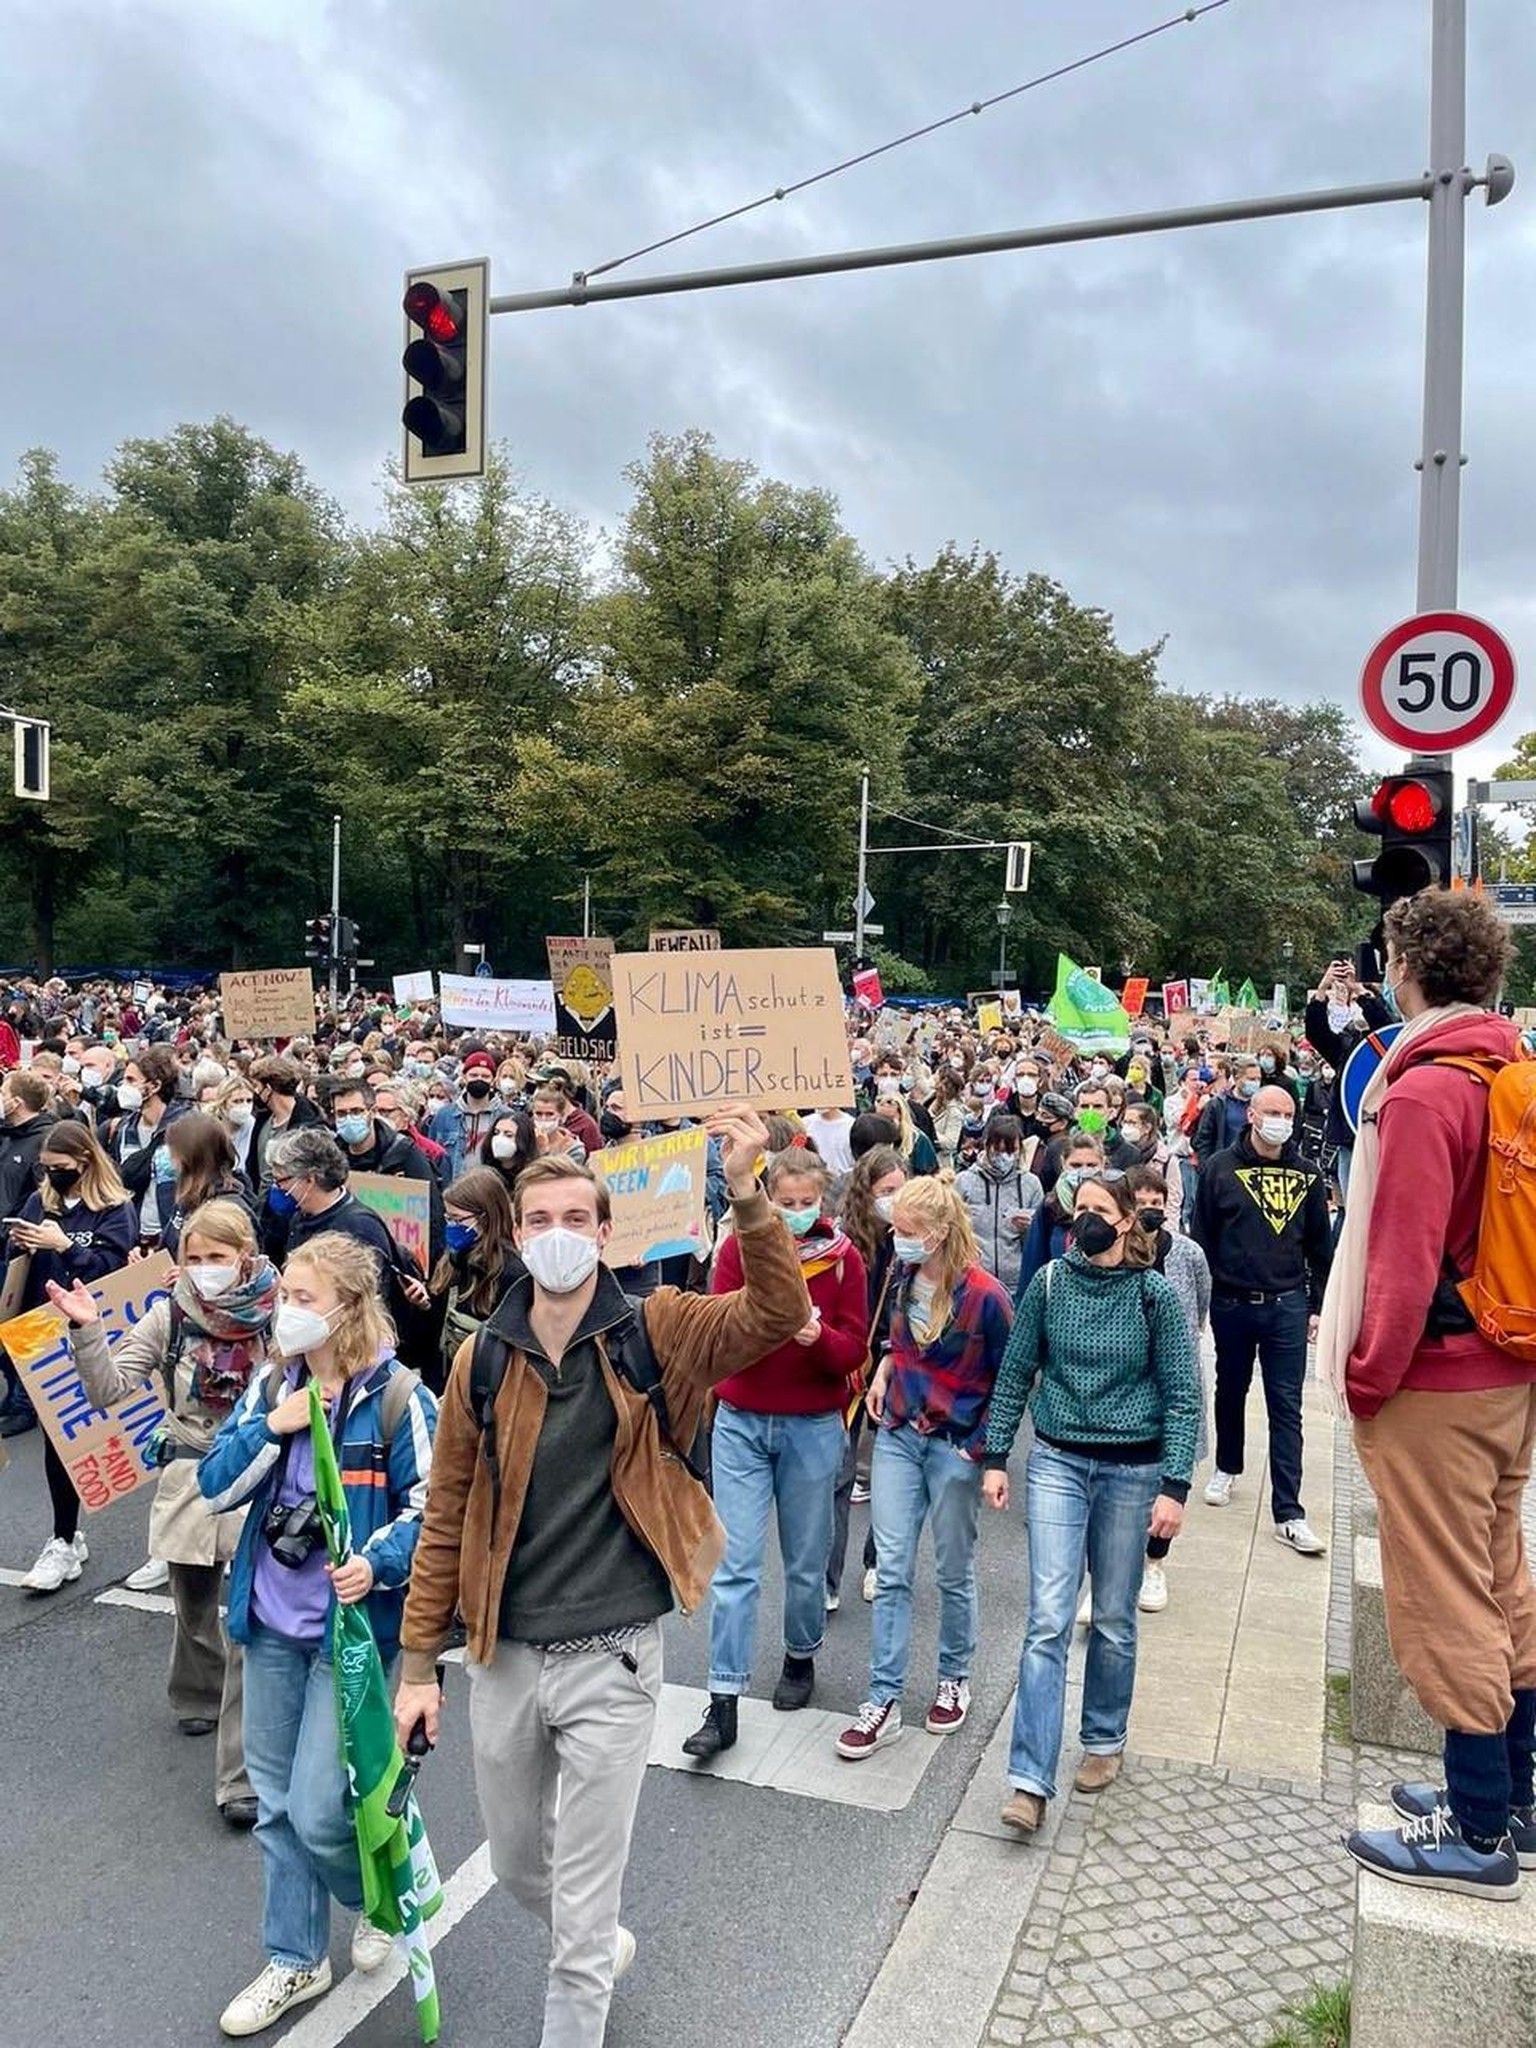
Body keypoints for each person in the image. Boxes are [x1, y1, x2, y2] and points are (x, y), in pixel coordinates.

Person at [393, 1110, 811, 2048]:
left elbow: (777, 1316)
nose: (556, 1238)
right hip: (502, 1656)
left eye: (575, 1220)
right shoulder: (481, 1360)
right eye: (538, 1220)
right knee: (512, 1868)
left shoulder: (657, 1329)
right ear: (517, 1233)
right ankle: (596, 1941)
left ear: (605, 1233)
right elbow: (446, 1515)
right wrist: (418, 1665)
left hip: (613, 1660)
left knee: (579, 1916)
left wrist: (745, 1191)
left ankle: (584, 1977)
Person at [1326, 892, 1536, 1898]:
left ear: (1408, 965)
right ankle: (1520, 1797)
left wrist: (1366, 1376)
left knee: (1445, 1592)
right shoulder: (1509, 1065)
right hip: (1506, 1366)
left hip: (1438, 1379)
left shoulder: (1422, 1090)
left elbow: (1402, 1261)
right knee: (1502, 1578)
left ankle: (1477, 1826)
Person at [199, 1229, 438, 2034]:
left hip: (352, 1637)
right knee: (273, 1804)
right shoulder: (275, 1383)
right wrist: (273, 1425)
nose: (287, 1313)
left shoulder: (399, 1395)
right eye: (284, 1297)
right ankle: (295, 1960)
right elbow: (215, 1487)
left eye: (305, 1301)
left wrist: (375, 1562)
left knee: (318, 1810)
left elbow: (433, 1510)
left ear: (349, 1310)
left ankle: (378, 1893)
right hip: (270, 1623)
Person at [47, 1198, 277, 1823]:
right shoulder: (168, 1316)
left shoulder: (282, 1312)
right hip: (191, 1473)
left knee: (250, 1630)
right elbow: (107, 1389)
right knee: (193, 1600)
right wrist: (87, 1329)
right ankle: (195, 1691)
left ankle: (240, 1778)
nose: (205, 1268)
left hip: (264, 1473)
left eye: (218, 1258)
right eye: (194, 1258)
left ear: (245, 1256)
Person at [983, 1173, 1199, 1833]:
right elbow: (1018, 1367)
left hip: (1132, 1470)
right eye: (1079, 1210)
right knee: (1048, 1618)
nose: (1086, 1221)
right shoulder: (1050, 1283)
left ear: (1130, 1221)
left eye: (1101, 1211)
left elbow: (1183, 1393)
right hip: (1056, 1459)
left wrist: (1176, 1485)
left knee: (1111, 1615)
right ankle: (1028, 1781)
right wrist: (996, 1456)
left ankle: (1104, 1737)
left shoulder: (1154, 1296)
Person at [682, 1149, 869, 1757]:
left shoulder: (845, 1262)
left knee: (805, 1558)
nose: (792, 1213)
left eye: (802, 1204)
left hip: (812, 1424)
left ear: (823, 1201)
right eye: (782, 1203)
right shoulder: (739, 1249)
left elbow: (852, 1352)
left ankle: (800, 1653)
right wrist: (765, 1319)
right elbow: (719, 1325)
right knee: (733, 1563)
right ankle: (723, 1697)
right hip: (742, 1419)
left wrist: (818, 1338)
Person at [837, 1175, 1012, 1761]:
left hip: (954, 1442)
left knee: (953, 1568)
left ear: (938, 1233)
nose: (898, 1239)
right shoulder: (902, 1275)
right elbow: (897, 1340)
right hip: (898, 1435)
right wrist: (887, 1368)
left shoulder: (985, 1295)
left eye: (908, 1232)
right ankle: (883, 1696)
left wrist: (984, 1448)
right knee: (890, 1568)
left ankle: (953, 1676)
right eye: (896, 1229)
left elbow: (1012, 1377)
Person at [1192, 1081, 1332, 1553]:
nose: (1281, 1121)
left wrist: (1316, 1306)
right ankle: (1227, 1466)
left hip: (1287, 1305)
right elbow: (1202, 1239)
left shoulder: (1309, 1175)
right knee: (1230, 1390)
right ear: (1251, 1114)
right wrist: (1206, 1301)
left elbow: (1320, 1247)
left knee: (1286, 1406)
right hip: (1232, 1303)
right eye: (1271, 1111)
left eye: (1288, 1113)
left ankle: (1289, 1511)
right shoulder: (1218, 1170)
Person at [5, 1125, 136, 1597]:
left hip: (92, 1336)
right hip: (42, 1335)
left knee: (94, 1433)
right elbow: (20, 1267)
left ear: (84, 1160)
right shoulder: (41, 1203)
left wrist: (67, 1246)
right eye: (45, 1168)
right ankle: (63, 1537)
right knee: (57, 1441)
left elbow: (113, 1272)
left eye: (59, 1168)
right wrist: (20, 1245)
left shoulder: (115, 1208)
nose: (51, 1176)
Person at [1123, 1164, 1211, 1613]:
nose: (1150, 1212)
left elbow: (1200, 1307)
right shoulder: (1116, 1255)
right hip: (1129, 1383)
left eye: (1157, 1205)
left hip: (1175, 1379)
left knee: (1170, 1477)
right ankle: (1115, 1573)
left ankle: (1155, 1564)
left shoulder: (1189, 1254)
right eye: (1141, 1205)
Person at [828, 1144, 906, 1609]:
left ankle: (878, 1561)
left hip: (897, 1362)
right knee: (838, 1473)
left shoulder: (915, 1238)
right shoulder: (845, 1241)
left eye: (900, 1190)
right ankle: (828, 1576)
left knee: (890, 1470)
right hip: (850, 1362)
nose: (893, 1199)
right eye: (884, 1191)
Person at [429, 1166, 525, 1394]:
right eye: (448, 1218)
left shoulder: (513, 1274)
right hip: (448, 1386)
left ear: (486, 1217)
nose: (451, 1225)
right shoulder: (452, 1261)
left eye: (458, 1219)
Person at [106, 1043, 187, 1244]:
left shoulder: (185, 1128)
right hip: (132, 1233)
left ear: (155, 1086)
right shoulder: (125, 1128)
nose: (124, 1086)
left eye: (131, 1080)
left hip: (171, 1233)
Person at [955, 1114, 1043, 1296]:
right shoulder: (964, 1182)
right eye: (998, 1150)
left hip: (1015, 1281)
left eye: (1010, 1151)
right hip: (973, 1279)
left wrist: (1029, 1228)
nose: (1003, 1157)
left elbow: (1038, 1240)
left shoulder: (1030, 1184)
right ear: (986, 1145)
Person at [154, 1111, 257, 1259]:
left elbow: (243, 1267)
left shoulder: (229, 1208)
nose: (170, 1157)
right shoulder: (188, 1199)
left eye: (173, 1151)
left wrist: (186, 1273)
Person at [0, 1068, 56, 1229]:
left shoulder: (46, 1140)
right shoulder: (6, 1135)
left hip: (15, 1237)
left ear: (17, 1102)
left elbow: (46, 1196)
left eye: (3, 1093)